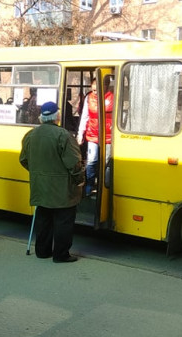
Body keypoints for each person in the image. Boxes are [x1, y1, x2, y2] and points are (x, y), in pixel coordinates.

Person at [20, 102, 84, 263]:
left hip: (40, 186)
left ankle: (42, 251)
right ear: (57, 116)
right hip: (62, 189)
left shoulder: (30, 135)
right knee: (63, 221)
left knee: (43, 219)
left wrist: (38, 173)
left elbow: (24, 160)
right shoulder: (63, 135)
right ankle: (61, 254)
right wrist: (80, 179)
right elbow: (74, 163)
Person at [76, 77, 114, 197]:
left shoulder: (113, 97)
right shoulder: (89, 98)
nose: (95, 92)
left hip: (108, 136)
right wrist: (80, 133)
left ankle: (105, 185)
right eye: (93, 90)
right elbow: (85, 116)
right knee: (92, 160)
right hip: (92, 134)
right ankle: (90, 185)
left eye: (97, 90)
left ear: (106, 86)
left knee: (107, 161)